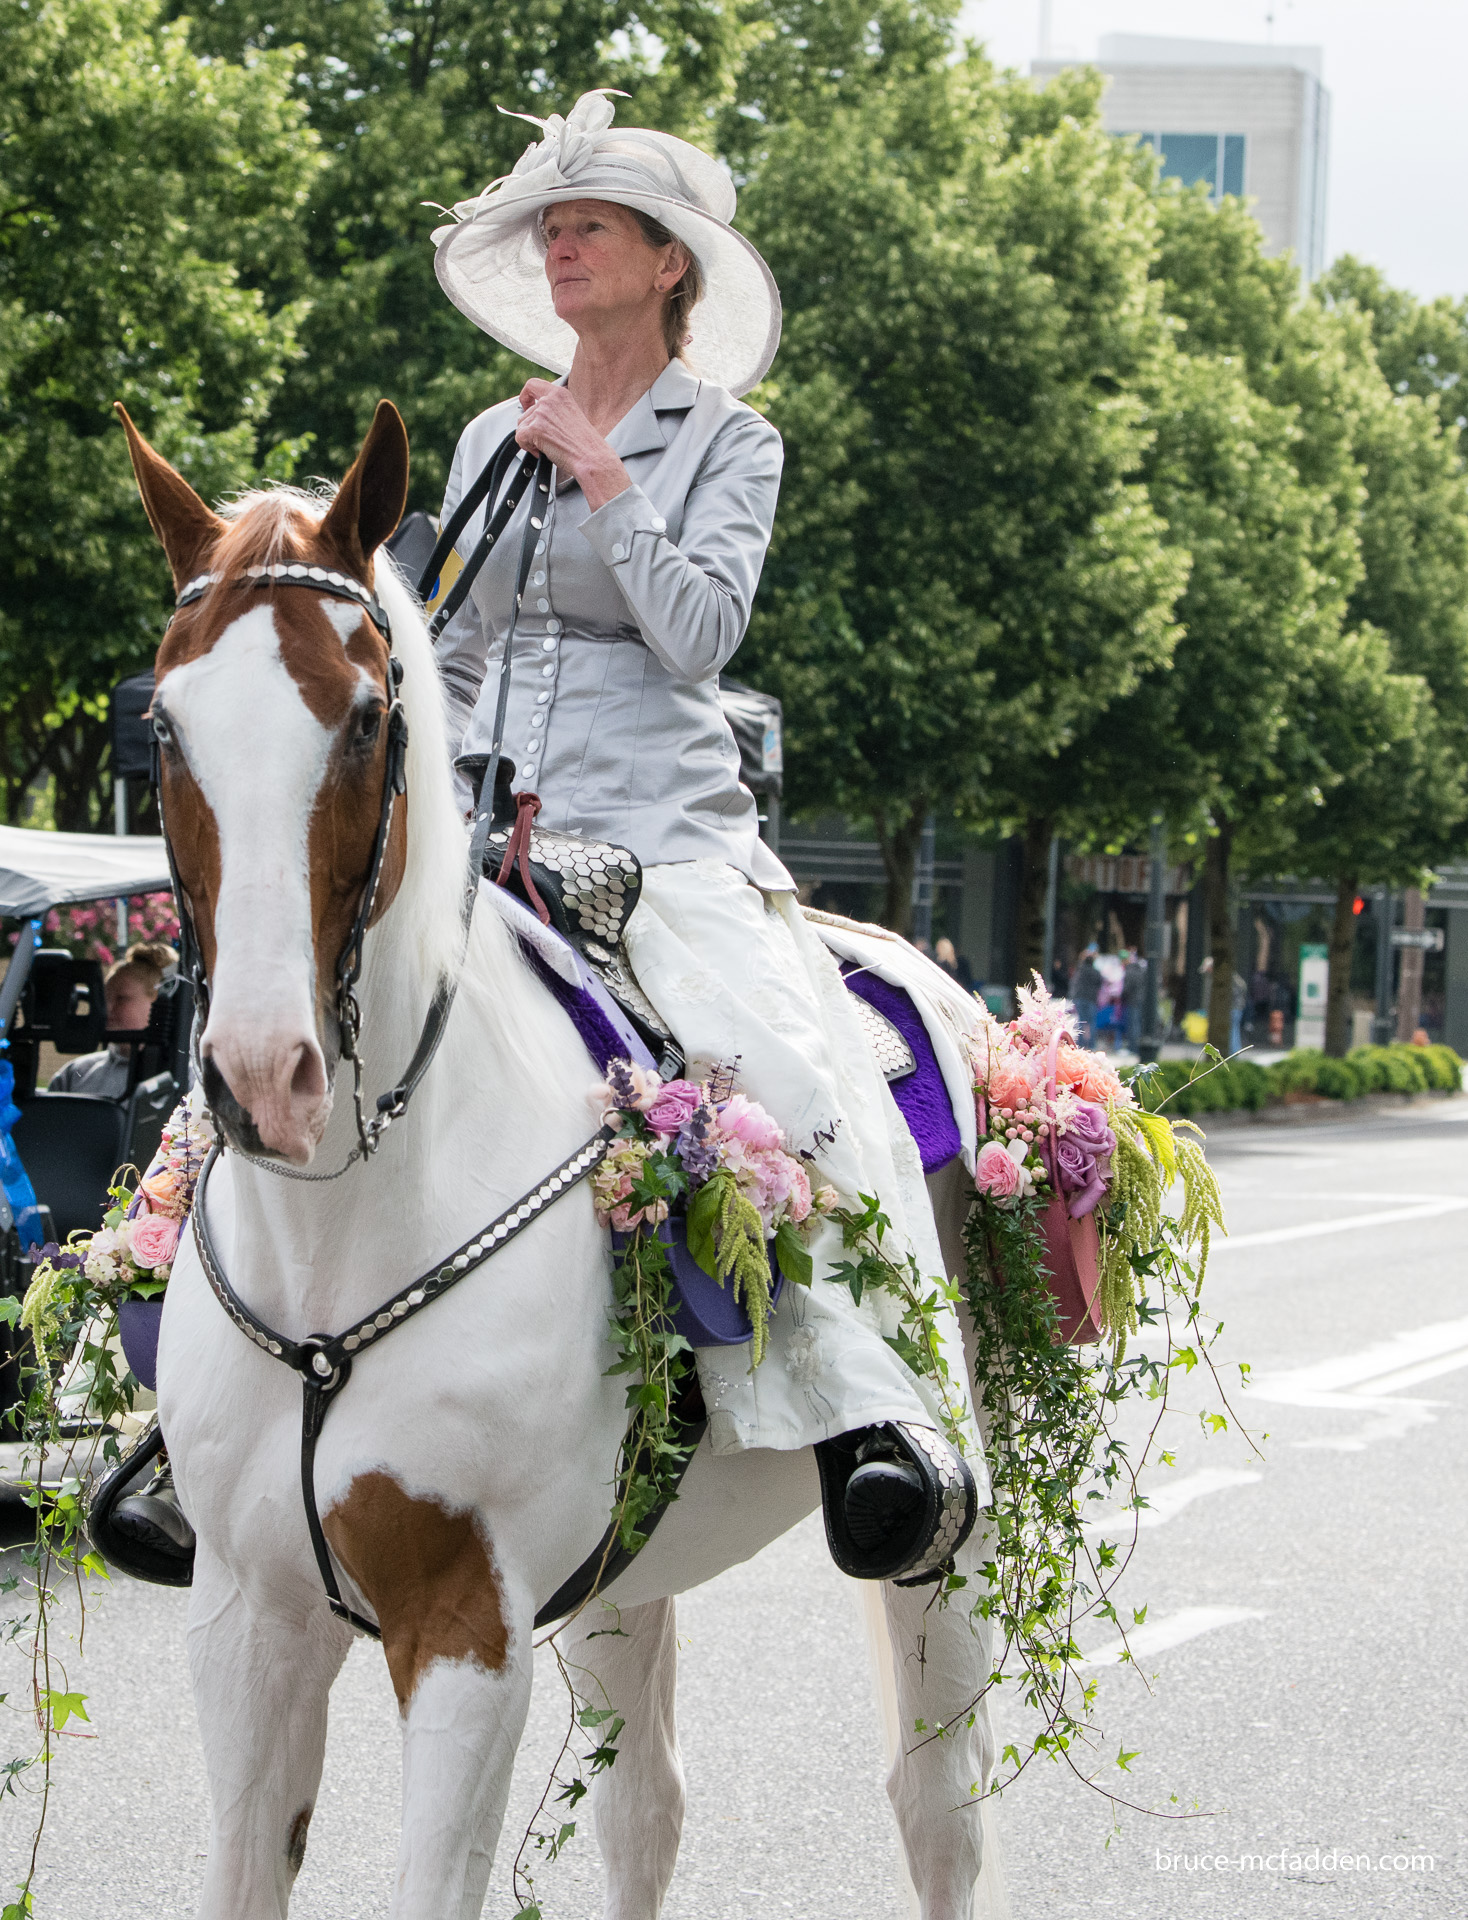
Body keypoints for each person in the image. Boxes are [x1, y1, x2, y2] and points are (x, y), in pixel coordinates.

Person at [428, 91, 979, 1578]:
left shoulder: (731, 443)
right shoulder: (494, 430)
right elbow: (459, 648)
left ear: (668, 263)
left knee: (775, 1062)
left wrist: (605, 480)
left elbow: (698, 635)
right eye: (548, 230)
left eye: (586, 226)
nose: (559, 251)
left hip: (663, 822)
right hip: (486, 826)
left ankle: (868, 1408)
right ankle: (191, 1375)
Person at [48, 943, 174, 1097]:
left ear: (160, 1002)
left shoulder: (183, 1077)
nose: (107, 1009)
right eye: (105, 998)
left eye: (121, 998)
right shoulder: (75, 1073)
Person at [1068, 946, 1102, 1047]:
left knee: (1081, 1020)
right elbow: (1099, 985)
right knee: (1092, 1022)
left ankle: (1081, 1043)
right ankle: (1092, 1044)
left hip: (1080, 998)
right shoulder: (1096, 972)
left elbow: (1074, 983)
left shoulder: (1080, 970)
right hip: (1091, 999)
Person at [1121, 947, 1148, 1053]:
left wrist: (1122, 997)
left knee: (1132, 1025)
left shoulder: (1130, 971)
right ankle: (1137, 1047)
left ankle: (1132, 1047)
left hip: (1132, 1001)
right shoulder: (1141, 971)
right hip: (1140, 1000)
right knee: (1138, 1024)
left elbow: (1127, 988)